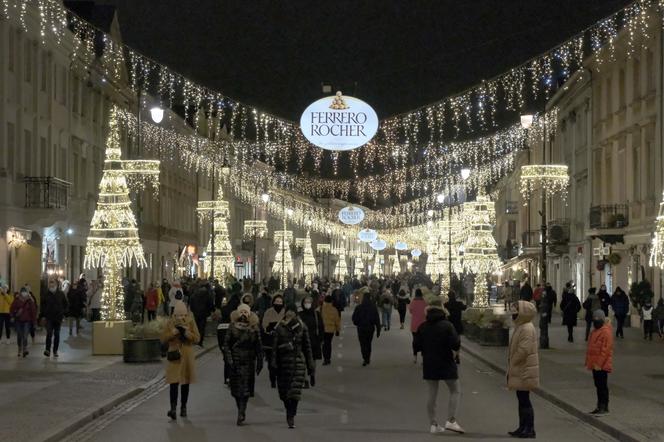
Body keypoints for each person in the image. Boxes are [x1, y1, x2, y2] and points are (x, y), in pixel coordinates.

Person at [414, 298, 464, 434]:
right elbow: (456, 343)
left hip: (429, 362)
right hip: (446, 361)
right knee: (455, 390)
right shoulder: (447, 325)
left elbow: (416, 345)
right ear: (442, 309)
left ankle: (433, 424)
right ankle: (451, 420)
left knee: (432, 394)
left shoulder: (423, 326)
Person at [271, 308, 316, 429]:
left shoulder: (302, 327)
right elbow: (274, 348)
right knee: (284, 393)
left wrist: (311, 366)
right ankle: (288, 410)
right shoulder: (279, 327)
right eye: (288, 313)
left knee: (295, 392)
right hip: (283, 364)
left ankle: (291, 415)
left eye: (292, 313)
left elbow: (307, 348)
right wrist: (273, 364)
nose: (290, 315)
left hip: (298, 363)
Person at [223, 303, 263, 426]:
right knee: (236, 390)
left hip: (248, 361)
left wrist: (260, 361)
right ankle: (240, 408)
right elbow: (226, 345)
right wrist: (229, 360)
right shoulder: (232, 327)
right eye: (242, 312)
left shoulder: (254, 328)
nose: (243, 315)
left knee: (245, 389)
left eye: (246, 312)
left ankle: (241, 411)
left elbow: (258, 346)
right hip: (235, 361)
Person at [161, 299, 200, 420]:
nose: (181, 317)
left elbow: (197, 338)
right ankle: (173, 409)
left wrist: (187, 333)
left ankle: (183, 407)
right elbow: (163, 338)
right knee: (173, 382)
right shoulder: (170, 322)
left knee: (185, 383)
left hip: (187, 355)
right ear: (174, 314)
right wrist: (172, 333)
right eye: (178, 315)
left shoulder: (190, 321)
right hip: (175, 356)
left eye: (183, 314)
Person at [506, 301, 539, 438]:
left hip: (525, 369)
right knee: (521, 398)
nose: (513, 315)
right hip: (522, 368)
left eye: (516, 312)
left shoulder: (526, 328)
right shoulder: (522, 326)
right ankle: (522, 426)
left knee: (525, 400)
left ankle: (529, 428)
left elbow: (523, 350)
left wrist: (513, 362)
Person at [585, 309, 613, 415]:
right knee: (598, 385)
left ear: (602, 319)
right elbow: (591, 348)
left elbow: (605, 350)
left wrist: (599, 364)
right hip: (595, 364)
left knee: (602, 386)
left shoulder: (605, 332)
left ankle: (604, 406)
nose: (595, 320)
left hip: (601, 364)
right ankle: (599, 405)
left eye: (597, 319)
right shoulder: (595, 331)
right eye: (594, 318)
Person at [262, 294, 285, 388]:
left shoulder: (285, 312)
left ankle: (279, 377)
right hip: (270, 341)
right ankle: (272, 379)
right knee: (271, 362)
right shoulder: (269, 311)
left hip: (282, 341)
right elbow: (264, 324)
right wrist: (269, 328)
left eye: (280, 302)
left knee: (280, 361)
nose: (278, 303)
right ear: (273, 302)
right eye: (277, 301)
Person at [352, 293, 381, 366]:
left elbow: (354, 318)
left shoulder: (358, 307)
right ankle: (367, 357)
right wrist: (378, 330)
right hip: (370, 328)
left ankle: (365, 358)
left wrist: (357, 323)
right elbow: (377, 319)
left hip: (361, 328)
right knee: (368, 343)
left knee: (362, 343)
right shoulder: (373, 307)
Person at [41, 279, 68, 358]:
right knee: (49, 333)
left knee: (57, 334)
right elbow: (43, 306)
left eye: (53, 285)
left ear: (56, 285)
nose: (51, 286)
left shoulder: (61, 294)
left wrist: (64, 313)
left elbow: (66, 304)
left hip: (58, 318)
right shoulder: (46, 294)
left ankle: (55, 350)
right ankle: (47, 350)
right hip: (49, 317)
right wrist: (42, 315)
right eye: (50, 285)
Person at [11, 287, 37, 357]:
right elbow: (12, 309)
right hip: (18, 321)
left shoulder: (30, 300)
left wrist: (34, 322)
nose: (24, 293)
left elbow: (33, 311)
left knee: (25, 336)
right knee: (19, 336)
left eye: (25, 292)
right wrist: (14, 314)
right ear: (20, 293)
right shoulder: (16, 300)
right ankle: (19, 348)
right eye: (22, 292)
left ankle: (24, 349)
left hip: (27, 321)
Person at [298, 296, 324, 365]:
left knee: (313, 360)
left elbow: (321, 327)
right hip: (303, 341)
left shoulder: (316, 314)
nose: (307, 304)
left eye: (309, 302)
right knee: (303, 360)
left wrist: (321, 339)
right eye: (305, 302)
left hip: (314, 341)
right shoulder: (300, 315)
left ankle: (312, 373)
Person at [321, 294, 341, 365]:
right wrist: (338, 330)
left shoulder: (321, 309)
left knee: (324, 344)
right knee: (328, 343)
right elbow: (337, 321)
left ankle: (325, 358)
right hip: (331, 330)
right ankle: (328, 358)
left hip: (323, 329)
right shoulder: (334, 310)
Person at [409, 288, 427, 363]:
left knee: (415, 341)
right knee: (424, 342)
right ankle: (423, 359)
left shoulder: (413, 302)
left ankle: (415, 357)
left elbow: (410, 311)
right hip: (424, 324)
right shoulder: (425, 302)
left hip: (415, 325)